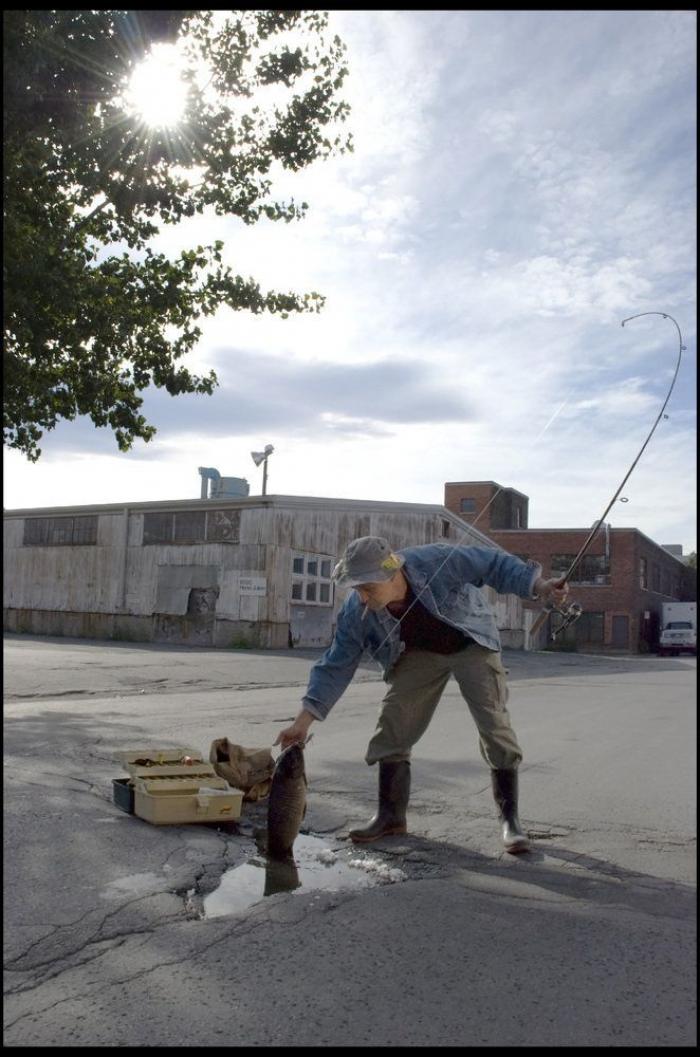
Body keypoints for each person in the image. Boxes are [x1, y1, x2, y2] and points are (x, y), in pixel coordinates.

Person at [275, 536, 568, 853]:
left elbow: (493, 564)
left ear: (392, 572)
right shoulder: (356, 611)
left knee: (494, 724)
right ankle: (390, 816)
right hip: (417, 653)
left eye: (368, 588)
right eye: (355, 589)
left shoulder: (435, 561)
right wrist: (302, 723)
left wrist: (538, 586)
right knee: (394, 722)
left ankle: (510, 820)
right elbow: (335, 664)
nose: (361, 597)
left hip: (470, 642)